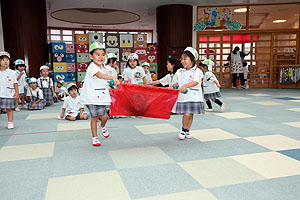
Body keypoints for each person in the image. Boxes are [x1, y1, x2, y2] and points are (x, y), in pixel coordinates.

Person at [79, 42, 119, 146]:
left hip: (101, 96)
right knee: (94, 117)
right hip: (92, 97)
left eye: (103, 54)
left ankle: (103, 126)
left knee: (105, 116)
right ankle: (95, 137)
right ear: (91, 56)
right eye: (97, 54)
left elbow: (102, 80)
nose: (101, 57)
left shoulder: (103, 68)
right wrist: (112, 78)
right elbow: (99, 75)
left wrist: (109, 85)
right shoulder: (92, 67)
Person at [173, 47, 204, 140]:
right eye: (181, 59)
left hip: (194, 96)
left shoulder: (197, 71)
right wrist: (175, 85)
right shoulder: (179, 71)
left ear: (192, 59)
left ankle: (187, 130)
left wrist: (186, 85)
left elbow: (196, 82)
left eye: (185, 59)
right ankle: (183, 129)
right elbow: (176, 82)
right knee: (186, 114)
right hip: (184, 96)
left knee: (190, 114)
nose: (183, 61)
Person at [0, 51, 19, 129]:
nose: (5, 62)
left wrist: (17, 92)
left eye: (7, 60)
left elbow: (15, 83)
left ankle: (10, 122)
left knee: (9, 109)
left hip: (9, 93)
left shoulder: (12, 73)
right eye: (3, 60)